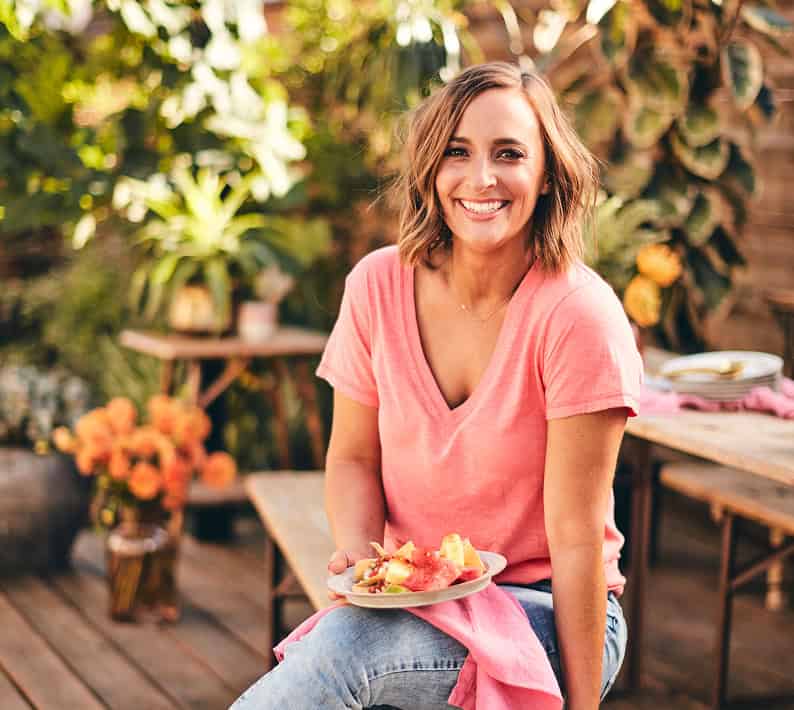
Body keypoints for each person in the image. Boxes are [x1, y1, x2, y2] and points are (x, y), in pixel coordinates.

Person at [232, 61, 642, 710]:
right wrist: (365, 564)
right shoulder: (376, 286)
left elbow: (575, 542)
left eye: (509, 153)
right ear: (431, 168)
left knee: (345, 651)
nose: (481, 178)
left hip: (544, 613)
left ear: (546, 174)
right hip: (414, 606)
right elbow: (353, 458)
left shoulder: (577, 315)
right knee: (352, 636)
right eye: (458, 152)